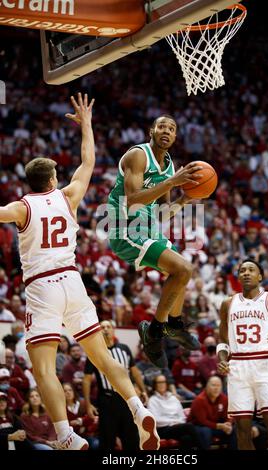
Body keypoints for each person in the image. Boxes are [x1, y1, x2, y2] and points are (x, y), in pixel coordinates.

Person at [0, 93, 159, 451]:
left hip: (42, 288)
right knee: (102, 357)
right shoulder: (68, 195)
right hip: (73, 281)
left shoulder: (20, 208)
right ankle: (137, 408)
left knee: (43, 369)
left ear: (30, 182)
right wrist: (86, 122)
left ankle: (66, 435)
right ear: (54, 179)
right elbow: (89, 160)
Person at [107, 115, 201, 368]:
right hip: (124, 227)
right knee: (183, 268)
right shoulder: (138, 155)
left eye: (172, 128)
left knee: (182, 271)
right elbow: (135, 200)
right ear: (152, 130)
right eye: (162, 126)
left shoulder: (169, 166)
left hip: (148, 228)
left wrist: (182, 200)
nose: (166, 131)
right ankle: (155, 332)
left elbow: (161, 213)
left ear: (175, 136)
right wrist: (172, 182)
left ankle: (173, 323)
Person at [217, 258, 268, 450]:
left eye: (251, 270)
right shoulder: (228, 303)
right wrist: (222, 360)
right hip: (238, 368)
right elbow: (223, 341)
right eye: (242, 270)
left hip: (265, 365)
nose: (246, 273)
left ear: (260, 276)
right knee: (242, 431)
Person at [83, 320, 148, 451]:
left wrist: (144, 390)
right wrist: (88, 403)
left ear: (113, 330)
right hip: (107, 400)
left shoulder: (124, 349)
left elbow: (135, 372)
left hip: (127, 399)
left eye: (108, 327)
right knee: (107, 440)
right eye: (102, 327)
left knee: (131, 438)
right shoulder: (94, 352)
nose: (105, 329)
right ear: (98, 332)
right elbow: (87, 380)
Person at [147, 374, 200, 449]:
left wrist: (178, 422)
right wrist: (173, 422)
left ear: (166, 384)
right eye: (159, 382)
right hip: (163, 429)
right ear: (155, 385)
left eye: (164, 382)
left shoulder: (173, 398)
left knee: (187, 438)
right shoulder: (152, 400)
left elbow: (182, 416)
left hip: (178, 427)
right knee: (189, 426)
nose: (162, 384)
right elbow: (156, 420)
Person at [188, 376, 237, 450]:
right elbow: (202, 421)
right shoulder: (199, 400)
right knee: (206, 431)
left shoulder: (224, 398)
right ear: (207, 386)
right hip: (197, 426)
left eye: (218, 385)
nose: (216, 388)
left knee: (234, 430)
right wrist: (220, 426)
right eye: (213, 385)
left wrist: (228, 423)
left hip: (215, 426)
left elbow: (229, 415)